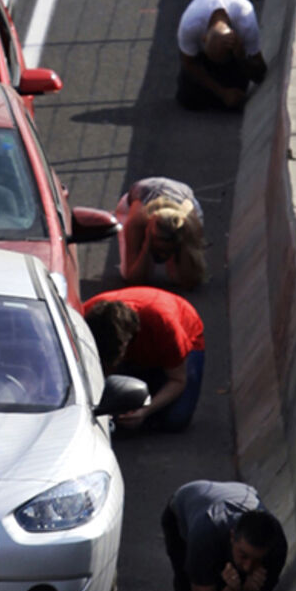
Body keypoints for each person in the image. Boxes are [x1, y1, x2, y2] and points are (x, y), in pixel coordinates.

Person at [83, 286, 204, 431]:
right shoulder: (85, 316)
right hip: (141, 346)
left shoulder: (164, 325)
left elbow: (178, 380)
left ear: (127, 342)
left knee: (176, 418)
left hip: (184, 337)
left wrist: (146, 411)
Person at [161, 480, 287, 591]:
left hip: (239, 493)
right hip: (184, 507)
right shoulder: (205, 536)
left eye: (257, 560)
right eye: (243, 556)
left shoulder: (276, 547)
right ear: (232, 537)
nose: (248, 567)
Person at [176, 0, 267, 111]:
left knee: (237, 96)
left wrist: (241, 56)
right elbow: (188, 62)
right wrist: (222, 93)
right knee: (187, 96)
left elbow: (260, 72)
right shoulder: (190, 25)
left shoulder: (246, 21)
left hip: (234, 57)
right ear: (204, 38)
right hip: (202, 59)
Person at [115, 177, 207, 289]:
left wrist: (182, 248)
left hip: (184, 200)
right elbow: (133, 279)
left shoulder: (190, 221)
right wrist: (147, 246)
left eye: (166, 250)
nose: (162, 255)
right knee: (128, 275)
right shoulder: (138, 219)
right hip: (134, 201)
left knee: (177, 278)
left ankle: (176, 255)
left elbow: (191, 280)